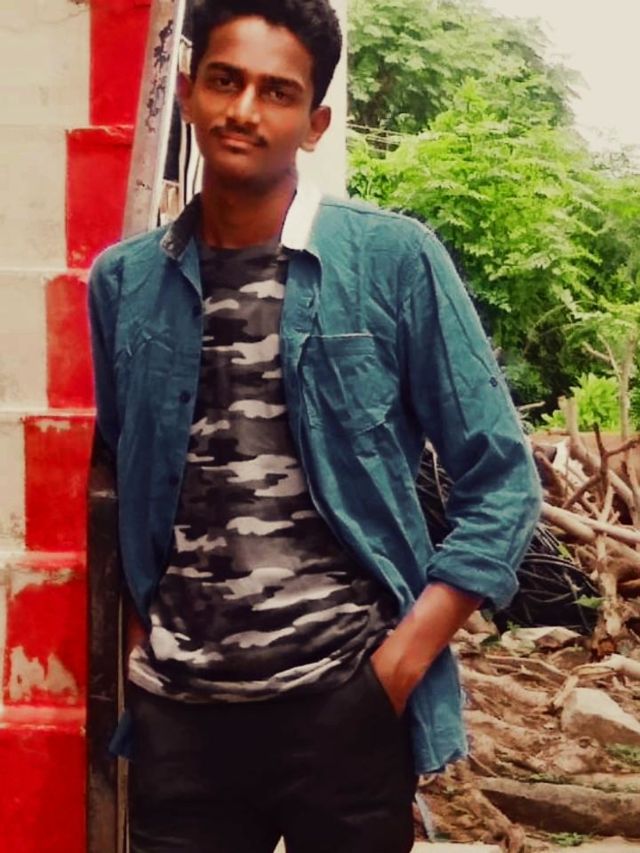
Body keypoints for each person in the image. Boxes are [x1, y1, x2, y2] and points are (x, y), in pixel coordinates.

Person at [88, 1, 542, 850]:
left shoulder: (392, 262)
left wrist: (396, 669)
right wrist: (146, 648)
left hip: (344, 710)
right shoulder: (123, 284)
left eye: (277, 91)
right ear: (187, 92)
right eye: (225, 80)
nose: (244, 110)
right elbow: (122, 467)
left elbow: (503, 479)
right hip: (182, 726)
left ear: (315, 121)